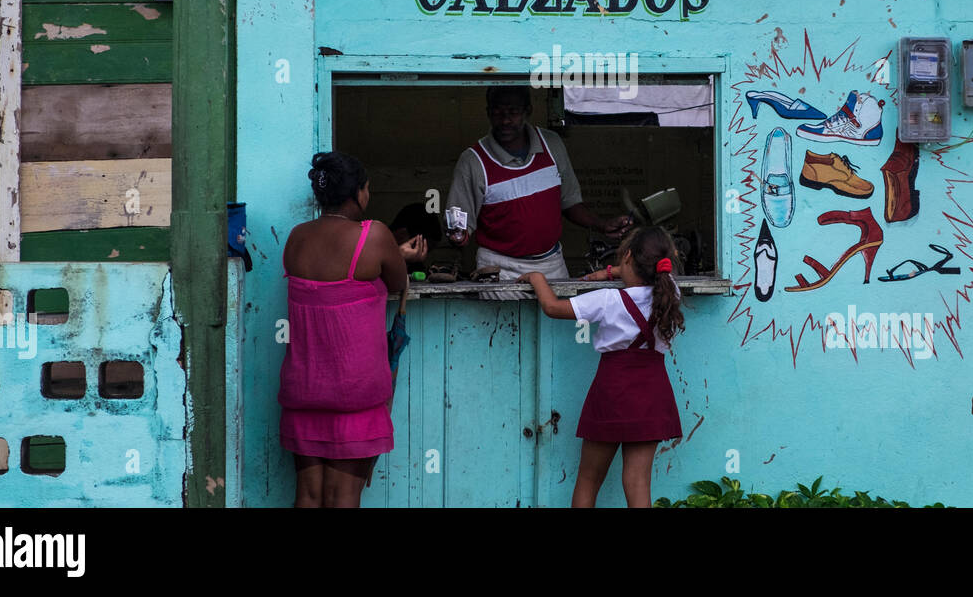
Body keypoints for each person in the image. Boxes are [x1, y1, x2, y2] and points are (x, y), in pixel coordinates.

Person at [278, 151, 427, 508]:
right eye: (367, 189)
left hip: (304, 388)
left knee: (309, 497)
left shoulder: (297, 237)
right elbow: (396, 281)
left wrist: (393, 252)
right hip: (354, 392)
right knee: (342, 498)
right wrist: (402, 255)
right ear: (359, 193)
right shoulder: (373, 235)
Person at [524, 226, 685, 508]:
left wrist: (537, 278)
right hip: (652, 394)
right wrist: (611, 273)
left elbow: (552, 307)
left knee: (589, 479)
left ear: (628, 257)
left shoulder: (607, 300)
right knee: (637, 483)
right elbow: (655, 277)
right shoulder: (670, 291)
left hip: (612, 392)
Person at [447, 86, 630, 296]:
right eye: (497, 112)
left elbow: (569, 202)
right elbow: (460, 226)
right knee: (505, 328)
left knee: (557, 326)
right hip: (500, 270)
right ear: (488, 112)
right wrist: (457, 236)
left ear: (528, 111)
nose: (505, 120)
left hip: (552, 264)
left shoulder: (551, 144)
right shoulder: (473, 161)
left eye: (513, 112)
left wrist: (602, 225)